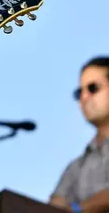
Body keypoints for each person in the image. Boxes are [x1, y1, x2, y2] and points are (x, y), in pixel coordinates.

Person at [49, 56, 109, 213]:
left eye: (93, 88)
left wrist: (77, 209)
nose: (84, 97)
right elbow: (53, 208)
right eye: (79, 92)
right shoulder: (76, 167)